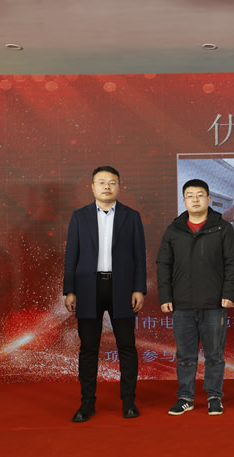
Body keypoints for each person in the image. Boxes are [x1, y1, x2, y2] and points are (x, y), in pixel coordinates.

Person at [63, 166, 146, 422]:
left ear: (119, 186)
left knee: (127, 346)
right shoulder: (80, 216)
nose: (107, 186)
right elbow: (71, 256)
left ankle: (129, 401)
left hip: (122, 288)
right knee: (88, 348)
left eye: (112, 182)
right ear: (92, 187)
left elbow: (139, 256)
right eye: (101, 182)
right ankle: (87, 402)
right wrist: (70, 290)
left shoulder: (131, 217)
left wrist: (139, 288)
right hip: (88, 288)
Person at [157, 179, 234, 416]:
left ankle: (214, 396)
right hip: (182, 303)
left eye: (200, 195)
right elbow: (164, 264)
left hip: (214, 303)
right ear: (184, 200)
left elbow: (233, 262)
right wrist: (165, 296)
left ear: (208, 199)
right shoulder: (174, 230)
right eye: (190, 195)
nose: (195, 199)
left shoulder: (222, 228)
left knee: (215, 355)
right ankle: (185, 397)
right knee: (185, 355)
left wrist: (229, 294)